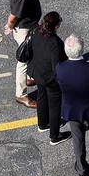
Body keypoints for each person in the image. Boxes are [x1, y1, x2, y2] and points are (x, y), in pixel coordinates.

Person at [55, 34, 89, 176]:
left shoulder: (60, 68)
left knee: (78, 139)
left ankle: (82, 168)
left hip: (72, 111)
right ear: (82, 50)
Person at [3, 0, 43, 108]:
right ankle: (21, 95)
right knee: (24, 59)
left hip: (30, 24)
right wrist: (9, 25)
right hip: (24, 28)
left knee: (33, 52)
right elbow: (14, 13)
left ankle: (28, 78)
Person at [29, 11, 71, 145]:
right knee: (55, 106)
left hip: (37, 73)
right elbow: (57, 67)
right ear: (56, 26)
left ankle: (42, 124)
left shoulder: (36, 31)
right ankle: (55, 136)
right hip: (50, 79)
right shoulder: (55, 44)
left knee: (41, 97)